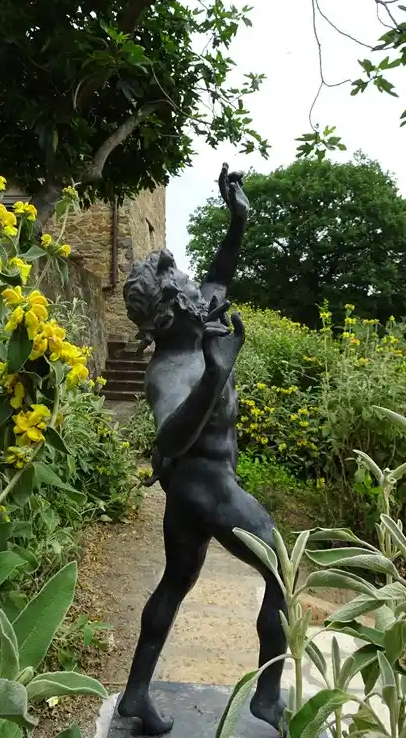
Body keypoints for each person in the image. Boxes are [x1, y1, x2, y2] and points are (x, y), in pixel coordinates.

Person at [116, 164, 288, 735]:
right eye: (187, 287)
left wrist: (238, 220)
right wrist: (215, 375)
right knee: (283, 570)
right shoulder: (170, 368)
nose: (200, 290)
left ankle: (136, 694)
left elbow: (220, 277)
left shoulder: (197, 322)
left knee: (176, 581)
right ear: (169, 313)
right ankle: (267, 695)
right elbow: (169, 437)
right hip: (206, 488)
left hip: (193, 490)